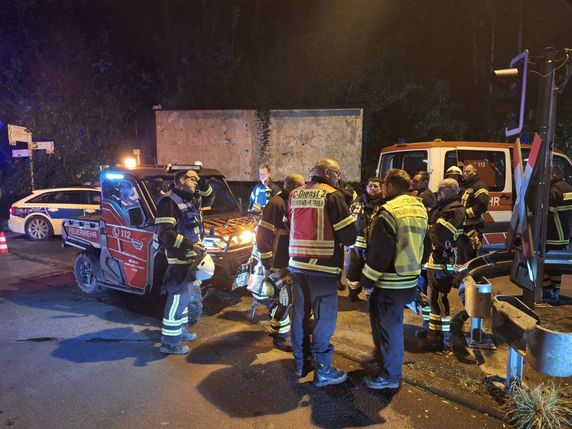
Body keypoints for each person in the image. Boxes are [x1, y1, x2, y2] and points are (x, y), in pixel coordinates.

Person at [288, 158, 357, 387]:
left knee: (299, 316)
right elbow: (349, 236)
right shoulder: (332, 195)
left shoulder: (294, 194)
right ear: (328, 173)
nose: (339, 178)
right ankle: (323, 370)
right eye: (337, 174)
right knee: (324, 319)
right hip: (323, 268)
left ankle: (300, 364)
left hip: (297, 265)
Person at [360, 169, 428, 390]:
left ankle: (390, 377)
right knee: (391, 326)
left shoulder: (388, 211)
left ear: (389, 186)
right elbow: (426, 243)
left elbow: (380, 253)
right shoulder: (419, 207)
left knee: (389, 329)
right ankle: (384, 362)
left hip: (389, 282)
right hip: (408, 280)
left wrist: (367, 281)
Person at [154, 169, 214, 355]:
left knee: (186, 299)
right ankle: (170, 343)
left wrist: (203, 182)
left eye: (197, 179)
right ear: (181, 179)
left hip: (191, 260)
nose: (196, 181)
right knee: (177, 302)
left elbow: (210, 199)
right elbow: (165, 233)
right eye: (193, 178)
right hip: (179, 262)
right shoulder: (168, 202)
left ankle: (182, 331)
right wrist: (191, 245)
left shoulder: (189, 200)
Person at [251, 173, 305, 351]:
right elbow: (264, 234)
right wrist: (266, 258)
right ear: (288, 187)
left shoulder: (289, 201)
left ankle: (279, 331)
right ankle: (280, 336)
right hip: (276, 259)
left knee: (284, 298)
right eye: (298, 187)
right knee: (281, 298)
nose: (301, 191)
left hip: (287, 258)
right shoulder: (276, 204)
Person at [418, 179, 465, 352]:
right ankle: (430, 329)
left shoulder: (456, 210)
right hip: (431, 257)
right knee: (428, 295)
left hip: (442, 260)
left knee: (438, 297)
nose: (438, 193)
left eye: (441, 190)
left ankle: (443, 340)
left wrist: (432, 227)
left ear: (452, 190)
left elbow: (440, 233)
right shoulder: (442, 208)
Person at [346, 177, 385, 301]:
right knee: (352, 271)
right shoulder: (357, 203)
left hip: (375, 247)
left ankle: (371, 296)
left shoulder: (384, 205)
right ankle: (353, 292)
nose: (372, 188)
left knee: (372, 272)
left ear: (382, 188)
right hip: (356, 246)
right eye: (370, 186)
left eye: (376, 186)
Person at [543, 167, 572, 304]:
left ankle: (549, 291)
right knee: (556, 266)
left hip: (552, 234)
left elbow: (547, 212)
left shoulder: (554, 190)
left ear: (553, 175)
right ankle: (555, 291)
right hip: (563, 234)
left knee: (543, 264)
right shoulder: (568, 188)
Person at [457, 163, 489, 265]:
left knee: (470, 255)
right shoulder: (463, 186)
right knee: (460, 254)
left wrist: (464, 214)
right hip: (462, 227)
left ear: (475, 172)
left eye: (468, 171)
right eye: (464, 172)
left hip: (473, 227)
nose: (465, 174)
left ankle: (474, 277)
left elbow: (482, 206)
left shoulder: (480, 186)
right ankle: (462, 277)